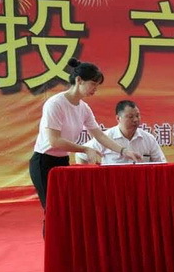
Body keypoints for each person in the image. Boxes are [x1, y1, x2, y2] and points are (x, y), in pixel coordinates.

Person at [29, 58, 142, 209]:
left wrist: (124, 151)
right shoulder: (55, 104)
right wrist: (85, 149)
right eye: (93, 84)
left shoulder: (84, 108)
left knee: (66, 208)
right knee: (52, 209)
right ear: (79, 80)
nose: (95, 89)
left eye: (97, 85)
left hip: (62, 161)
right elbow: (55, 141)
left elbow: (99, 135)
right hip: (43, 162)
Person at [75, 100, 165, 164]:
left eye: (137, 116)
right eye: (130, 117)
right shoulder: (106, 137)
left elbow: (161, 163)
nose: (135, 120)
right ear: (118, 118)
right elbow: (80, 155)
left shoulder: (148, 139)